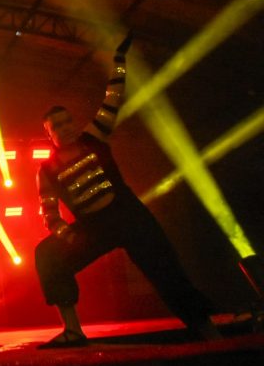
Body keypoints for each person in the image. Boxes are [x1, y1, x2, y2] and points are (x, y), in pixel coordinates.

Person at [34, 32, 219, 348]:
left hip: (129, 216)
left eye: (67, 122)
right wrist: (65, 234)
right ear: (49, 135)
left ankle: (209, 333)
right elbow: (49, 212)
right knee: (48, 255)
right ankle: (73, 330)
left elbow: (113, 98)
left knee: (166, 271)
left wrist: (119, 63)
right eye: (57, 126)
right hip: (93, 228)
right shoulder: (47, 171)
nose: (65, 128)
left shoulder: (94, 137)